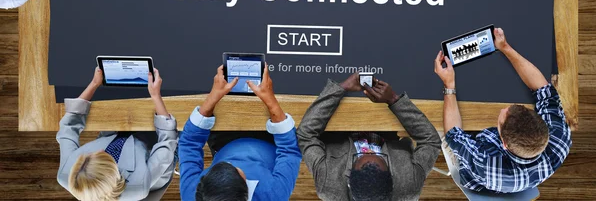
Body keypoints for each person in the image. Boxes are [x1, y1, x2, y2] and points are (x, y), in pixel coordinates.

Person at [433, 28, 571, 193]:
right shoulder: (560, 137)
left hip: (478, 173)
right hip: (518, 178)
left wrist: (449, 84)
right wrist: (505, 47)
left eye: (502, 118)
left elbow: (453, 134)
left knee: (439, 129)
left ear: (503, 143)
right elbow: (544, 90)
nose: (504, 109)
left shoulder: (485, 163)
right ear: (541, 124)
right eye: (512, 108)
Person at [297, 73, 441, 200]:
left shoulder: (329, 186)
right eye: (380, 157)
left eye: (360, 157)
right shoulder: (409, 187)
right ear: (392, 177)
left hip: (339, 127)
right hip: (385, 126)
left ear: (349, 177)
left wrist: (340, 88)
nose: (369, 150)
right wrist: (394, 100)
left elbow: (306, 135)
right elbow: (431, 142)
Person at [179, 65, 301, 201]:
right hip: (272, 139)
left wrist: (212, 98)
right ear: (246, 190)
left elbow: (189, 145)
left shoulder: (192, 194)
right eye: (236, 169)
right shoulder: (274, 195)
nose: (233, 162)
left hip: (224, 142)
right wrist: (270, 100)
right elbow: (289, 151)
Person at [57, 66, 178, 200]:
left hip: (115, 137)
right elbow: (167, 141)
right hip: (151, 154)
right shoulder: (138, 184)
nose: (100, 149)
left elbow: (68, 127)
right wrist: (156, 96)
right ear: (115, 170)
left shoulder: (66, 174)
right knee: (179, 126)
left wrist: (94, 84)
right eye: (102, 155)